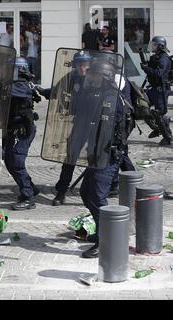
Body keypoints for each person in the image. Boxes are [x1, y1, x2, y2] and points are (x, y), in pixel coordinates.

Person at [79, 58, 128, 258]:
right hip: (97, 153)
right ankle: (102, 231)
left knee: (97, 197)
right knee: (85, 192)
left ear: (105, 77)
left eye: (95, 75)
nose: (91, 78)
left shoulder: (111, 98)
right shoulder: (99, 94)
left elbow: (105, 129)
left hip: (107, 155)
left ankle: (105, 241)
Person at [37, 51, 91, 206]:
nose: (82, 68)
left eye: (85, 64)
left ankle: (110, 185)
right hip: (80, 122)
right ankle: (61, 191)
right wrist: (43, 91)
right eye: (79, 65)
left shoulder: (97, 78)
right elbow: (57, 90)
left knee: (104, 155)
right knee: (70, 156)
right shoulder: (70, 77)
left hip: (97, 123)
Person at [4, 57, 41, 210]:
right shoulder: (15, 84)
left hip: (23, 130)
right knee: (8, 159)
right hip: (13, 128)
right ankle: (30, 187)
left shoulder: (22, 86)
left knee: (17, 161)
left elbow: (7, 91)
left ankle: (28, 197)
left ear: (20, 70)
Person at [141, 36, 172, 146]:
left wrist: (146, 69)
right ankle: (157, 128)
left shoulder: (164, 58)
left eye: (154, 45)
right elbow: (152, 71)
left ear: (160, 46)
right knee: (142, 107)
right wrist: (146, 65)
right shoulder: (155, 57)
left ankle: (167, 138)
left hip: (161, 90)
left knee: (159, 114)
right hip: (153, 89)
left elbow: (158, 74)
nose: (152, 47)